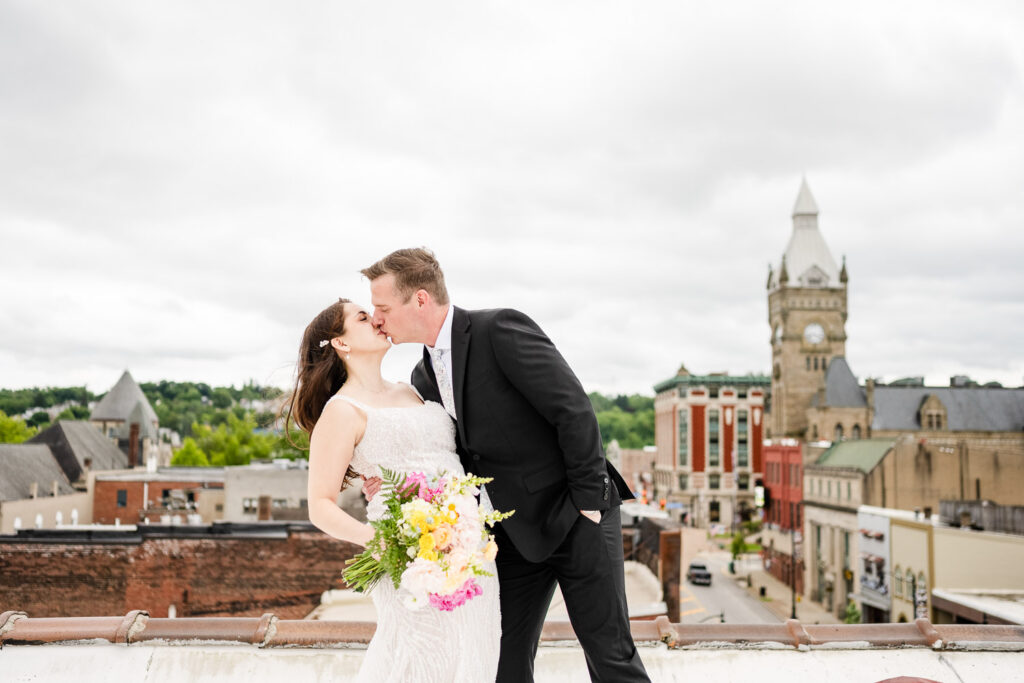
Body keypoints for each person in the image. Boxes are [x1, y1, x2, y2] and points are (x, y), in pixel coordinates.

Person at [362, 248, 650, 683]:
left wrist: (589, 504)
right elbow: (447, 457)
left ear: (420, 299)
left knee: (611, 657)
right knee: (502, 663)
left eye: (382, 308)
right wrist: (390, 483)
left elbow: (573, 410)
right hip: (513, 537)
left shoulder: (499, 329)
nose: (376, 319)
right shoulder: (422, 377)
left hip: (576, 516)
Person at [290, 298, 501, 683]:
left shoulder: (411, 390)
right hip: (406, 556)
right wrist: (379, 541)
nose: (377, 320)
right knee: (419, 658)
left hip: (466, 547)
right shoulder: (341, 411)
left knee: (475, 650)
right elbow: (320, 506)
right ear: (341, 343)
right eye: (362, 317)